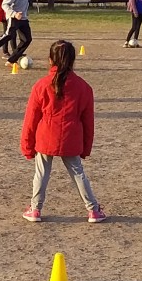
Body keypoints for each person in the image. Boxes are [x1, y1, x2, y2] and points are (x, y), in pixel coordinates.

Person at [19, 40, 107, 223]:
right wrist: (85, 148)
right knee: (78, 173)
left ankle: (35, 209)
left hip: (45, 137)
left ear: (50, 61)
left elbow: (31, 119)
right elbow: (88, 122)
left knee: (41, 174)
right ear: (73, 61)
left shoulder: (41, 85)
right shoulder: (84, 87)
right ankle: (93, 210)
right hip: (71, 138)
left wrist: (27, 146)